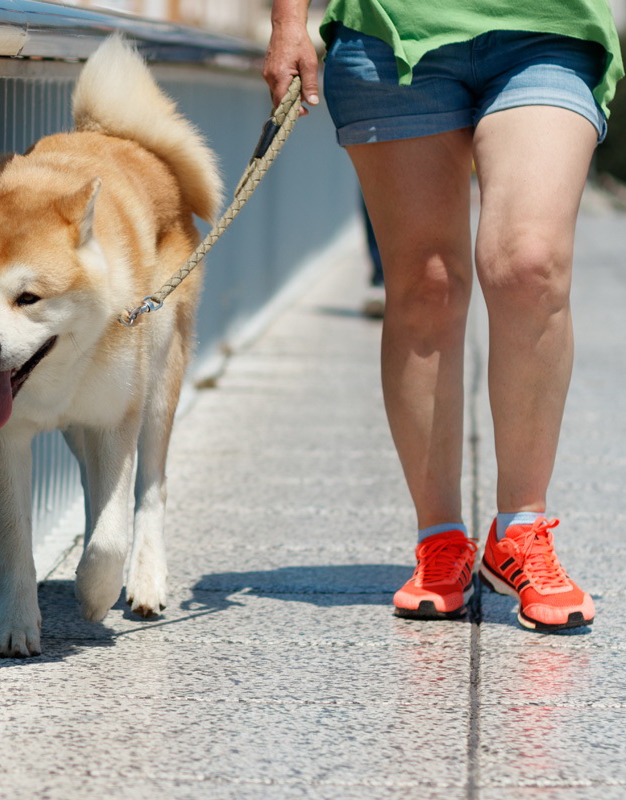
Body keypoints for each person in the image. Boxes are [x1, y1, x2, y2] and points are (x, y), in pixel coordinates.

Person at [265, 0, 623, 631]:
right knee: (425, 283)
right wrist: (288, 22)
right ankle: (441, 539)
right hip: (391, 30)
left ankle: (521, 530)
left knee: (530, 264)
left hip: (549, 26)